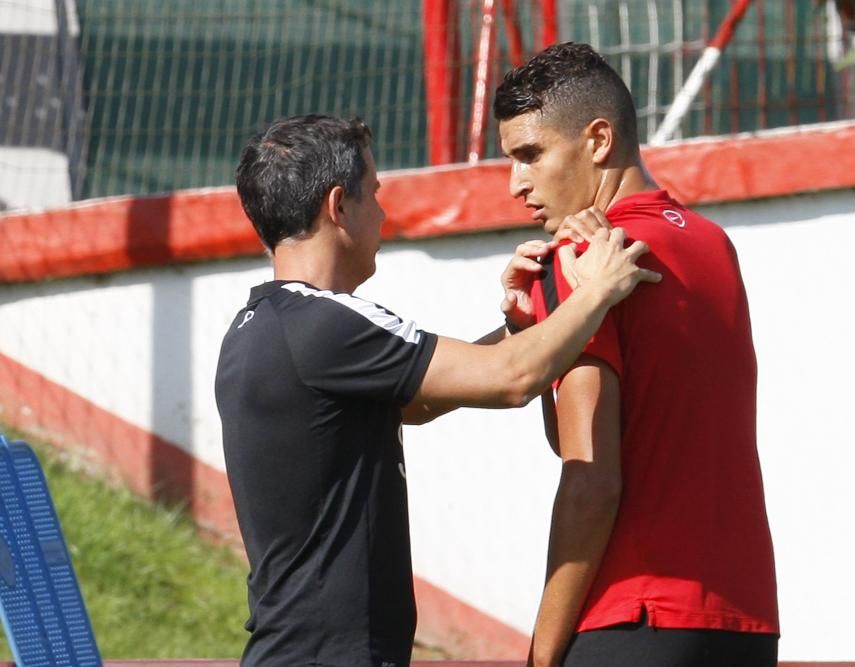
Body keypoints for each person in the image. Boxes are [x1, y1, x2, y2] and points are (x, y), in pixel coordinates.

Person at [214, 114, 659, 667]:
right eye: (373, 193)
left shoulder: (263, 326)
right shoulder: (326, 324)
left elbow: (416, 403)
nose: (383, 211)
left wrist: (521, 325)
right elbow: (513, 379)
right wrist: (598, 292)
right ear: (338, 206)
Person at [494, 42, 780, 667]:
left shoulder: (583, 257)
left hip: (635, 618)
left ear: (598, 140)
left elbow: (590, 473)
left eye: (529, 154)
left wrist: (542, 654)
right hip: (745, 624)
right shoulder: (713, 245)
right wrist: (533, 332)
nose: (516, 183)